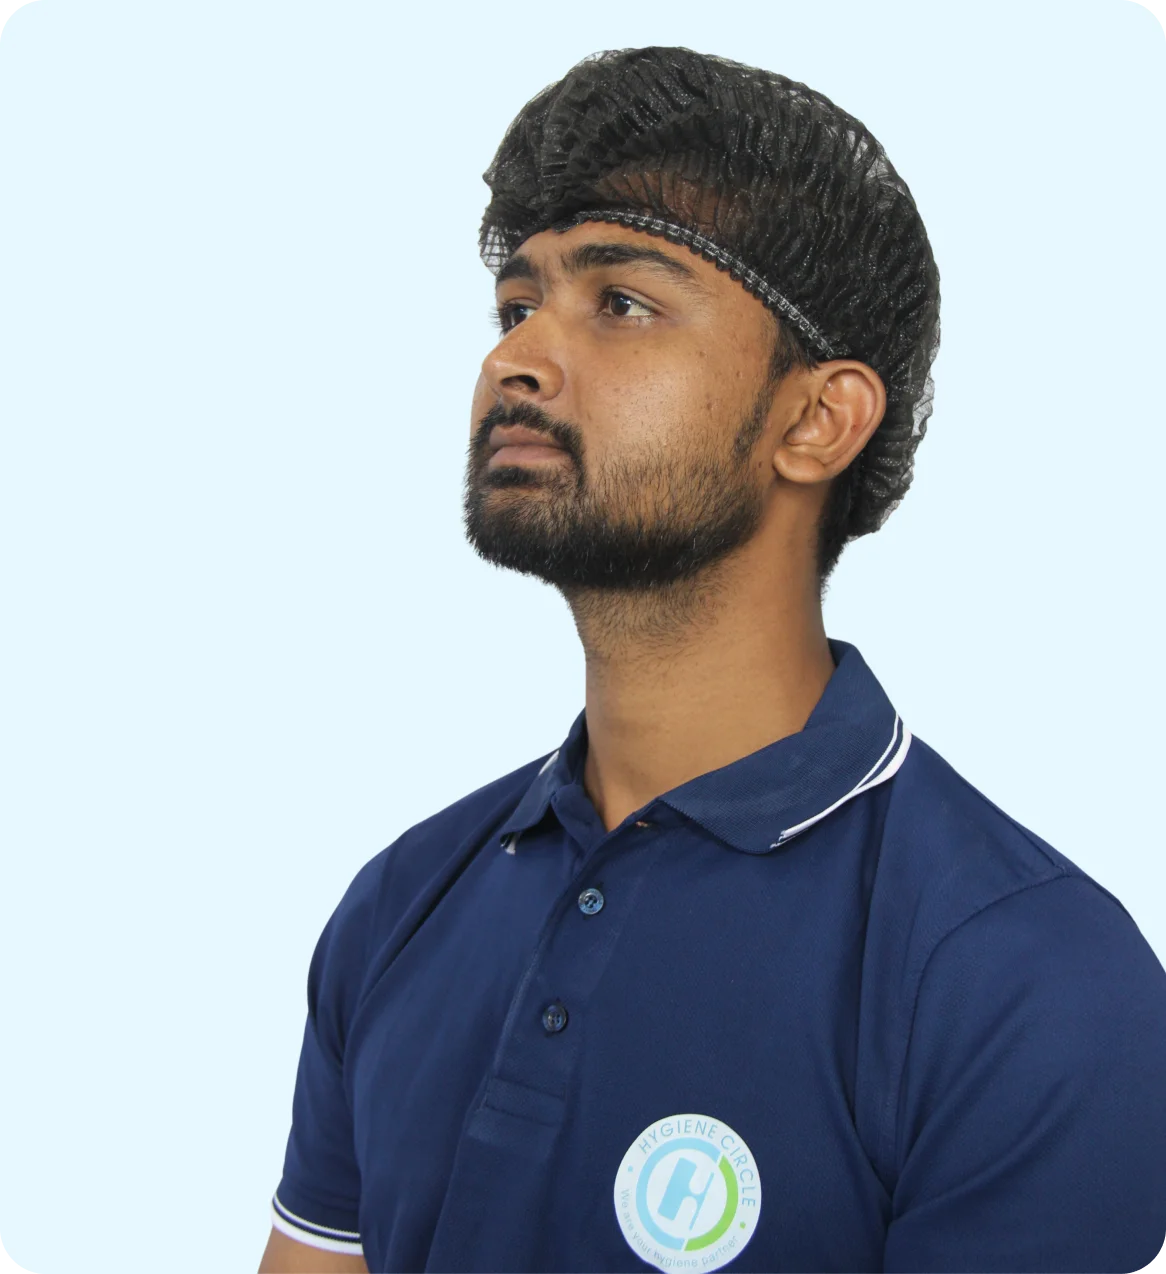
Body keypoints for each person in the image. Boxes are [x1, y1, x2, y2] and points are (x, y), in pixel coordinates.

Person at [258, 46, 1166, 1274]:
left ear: (816, 419)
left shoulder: (1025, 979)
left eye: (620, 302)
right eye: (516, 306)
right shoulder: (400, 904)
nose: (514, 359)